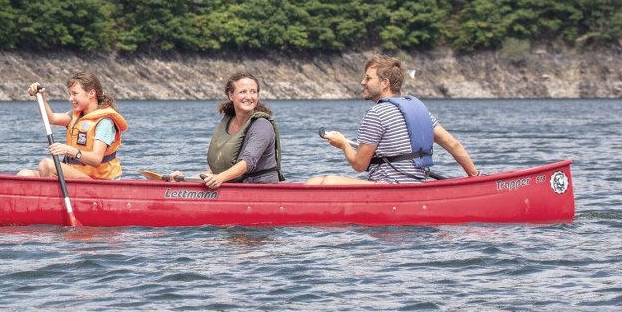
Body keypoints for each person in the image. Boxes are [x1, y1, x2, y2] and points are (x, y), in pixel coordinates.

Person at [306, 55, 480, 185]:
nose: (362, 82)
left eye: (368, 78)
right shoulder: (420, 110)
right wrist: (475, 178)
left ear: (384, 83)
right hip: (416, 184)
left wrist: (343, 144)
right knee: (314, 183)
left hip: (389, 188)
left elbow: (359, 165)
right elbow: (454, 145)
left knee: (325, 182)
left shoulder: (377, 114)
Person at [15, 72, 129, 180]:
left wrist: (69, 150)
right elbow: (51, 118)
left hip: (99, 181)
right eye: (69, 94)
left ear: (91, 93)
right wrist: (41, 97)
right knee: (24, 175)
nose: (70, 99)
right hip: (77, 175)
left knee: (48, 165)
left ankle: (50, 199)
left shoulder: (104, 122)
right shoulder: (76, 115)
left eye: (75, 94)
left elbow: (96, 159)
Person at [186, 72, 282, 187]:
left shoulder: (262, 125)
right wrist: (185, 179)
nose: (249, 97)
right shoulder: (227, 122)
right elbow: (220, 168)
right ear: (230, 95)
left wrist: (220, 178)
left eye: (253, 92)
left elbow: (248, 162)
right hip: (233, 184)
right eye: (243, 92)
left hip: (259, 189)